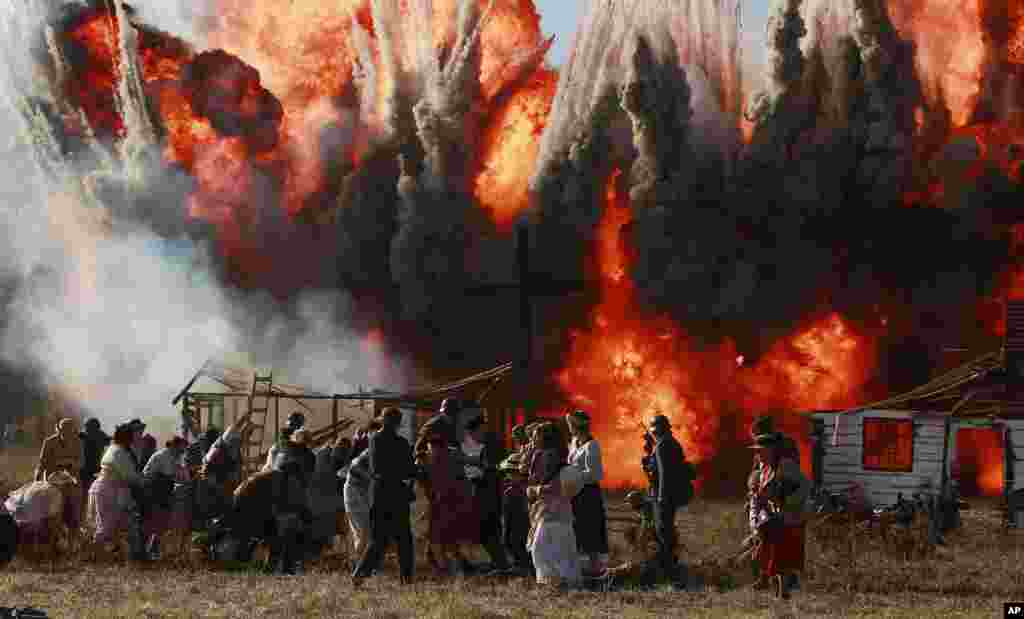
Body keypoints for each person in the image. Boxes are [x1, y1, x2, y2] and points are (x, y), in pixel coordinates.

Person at [352, 408, 417, 586]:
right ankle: (406, 579)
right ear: (398, 423)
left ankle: (359, 575)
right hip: (396, 493)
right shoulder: (402, 443)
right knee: (404, 539)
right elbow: (409, 470)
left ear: (383, 420)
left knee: (378, 540)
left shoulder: (374, 440)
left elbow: (376, 469)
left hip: (379, 493)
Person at [750, 431, 810, 599]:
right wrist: (757, 519)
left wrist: (787, 502)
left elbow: (805, 486)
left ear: (771, 450)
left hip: (790, 518)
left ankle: (783, 592)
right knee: (769, 553)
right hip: (775, 517)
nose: (757, 454)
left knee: (782, 557)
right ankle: (775, 587)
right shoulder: (764, 470)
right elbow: (760, 496)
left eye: (760, 450)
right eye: (756, 451)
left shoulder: (786, 466)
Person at [418, 415, 479, 576]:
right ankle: (455, 566)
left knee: (439, 538)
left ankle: (446, 568)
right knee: (446, 538)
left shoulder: (428, 458)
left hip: (444, 501)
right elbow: (471, 462)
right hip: (450, 501)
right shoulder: (451, 454)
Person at [526, 422, 581, 588]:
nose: (533, 438)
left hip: (553, 509)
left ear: (544, 438)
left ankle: (555, 582)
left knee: (541, 549)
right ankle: (562, 581)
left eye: (536, 435)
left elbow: (554, 485)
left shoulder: (549, 456)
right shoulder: (548, 454)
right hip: (553, 509)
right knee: (557, 549)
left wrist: (536, 490)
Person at [647, 414, 694, 587]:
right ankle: (670, 569)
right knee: (666, 533)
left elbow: (665, 474)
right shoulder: (670, 443)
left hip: (664, 497)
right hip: (669, 496)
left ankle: (671, 574)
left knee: (664, 534)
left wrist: (661, 497)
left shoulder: (662, 445)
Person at [89, 423, 146, 560]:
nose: (138, 436)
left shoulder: (117, 449)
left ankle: (133, 556)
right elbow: (130, 475)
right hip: (111, 491)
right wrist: (143, 481)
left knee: (126, 524)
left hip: (114, 490)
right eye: (135, 434)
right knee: (107, 526)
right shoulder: (119, 452)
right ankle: (93, 555)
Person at [463, 415, 508, 574]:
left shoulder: (490, 446)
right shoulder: (464, 446)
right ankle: (499, 563)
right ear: (472, 431)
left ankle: (501, 564)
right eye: (481, 430)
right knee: (484, 531)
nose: (484, 433)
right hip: (477, 492)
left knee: (490, 529)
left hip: (488, 493)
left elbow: (493, 469)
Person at [565, 410, 609, 576]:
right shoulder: (574, 442)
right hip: (575, 492)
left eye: (571, 424)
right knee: (577, 528)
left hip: (588, 494)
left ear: (577, 426)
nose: (569, 427)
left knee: (590, 529)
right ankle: (578, 567)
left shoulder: (592, 446)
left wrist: (575, 475)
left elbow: (596, 474)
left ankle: (596, 567)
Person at [142, 436, 190, 559]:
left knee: (161, 522)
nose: (183, 451)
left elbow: (180, 474)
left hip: (161, 491)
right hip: (153, 491)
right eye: (181, 448)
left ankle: (153, 547)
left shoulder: (173, 456)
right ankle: (148, 549)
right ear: (174, 446)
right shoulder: (165, 456)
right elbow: (171, 475)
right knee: (156, 521)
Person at [35, 417, 83, 533]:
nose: (66, 433)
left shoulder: (77, 442)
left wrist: (70, 463)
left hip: (71, 480)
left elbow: (81, 462)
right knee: (53, 511)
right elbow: (42, 462)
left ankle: (72, 534)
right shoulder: (49, 442)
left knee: (73, 510)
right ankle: (53, 534)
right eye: (63, 430)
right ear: (58, 430)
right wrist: (37, 479)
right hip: (53, 480)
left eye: (69, 430)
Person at [499, 424, 533, 575]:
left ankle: (523, 563)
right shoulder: (523, 450)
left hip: (524, 493)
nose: (516, 439)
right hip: (518, 491)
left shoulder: (530, 450)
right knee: (511, 532)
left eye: (517, 436)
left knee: (519, 531)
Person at [344, 421, 380, 563]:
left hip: (361, 492)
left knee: (365, 531)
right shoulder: (369, 451)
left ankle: (360, 563)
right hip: (355, 492)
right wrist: (370, 477)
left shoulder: (373, 449)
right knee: (364, 531)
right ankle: (358, 564)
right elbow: (353, 468)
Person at [79, 418, 110, 495]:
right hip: (88, 467)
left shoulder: (84, 435)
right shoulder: (101, 435)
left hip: (91, 467)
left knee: (91, 490)